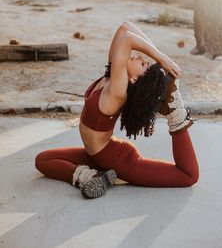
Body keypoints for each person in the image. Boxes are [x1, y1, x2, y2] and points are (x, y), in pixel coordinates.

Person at [35, 21, 199, 199]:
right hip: (99, 156)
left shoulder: (118, 92)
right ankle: (91, 177)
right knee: (43, 160)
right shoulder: (111, 77)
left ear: (134, 80)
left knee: (188, 176)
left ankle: (176, 111)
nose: (137, 57)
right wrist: (161, 58)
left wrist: (160, 58)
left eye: (142, 64)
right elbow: (125, 27)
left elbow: (128, 39)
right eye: (142, 60)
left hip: (120, 161)